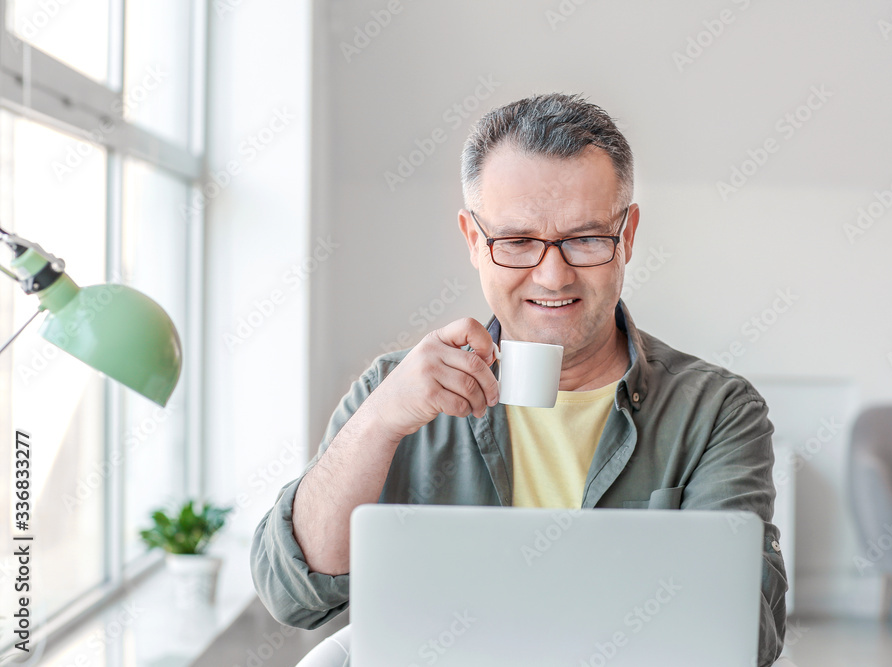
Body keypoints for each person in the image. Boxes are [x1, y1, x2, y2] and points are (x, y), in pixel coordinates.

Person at [250, 92, 788, 666]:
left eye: (585, 239)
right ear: (474, 241)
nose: (552, 276)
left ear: (627, 236)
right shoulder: (395, 392)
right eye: (517, 242)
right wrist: (379, 424)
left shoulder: (714, 410)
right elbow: (292, 594)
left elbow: (743, 635)